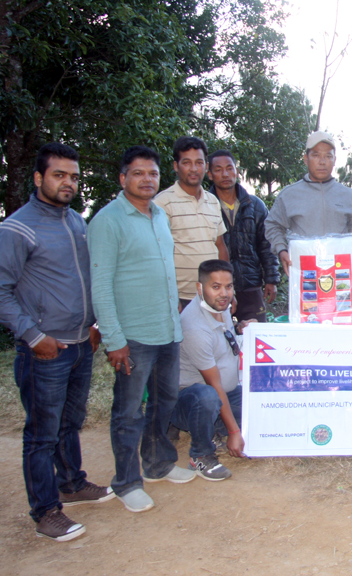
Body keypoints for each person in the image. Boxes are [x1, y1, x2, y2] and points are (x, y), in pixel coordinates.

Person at [0, 143, 111, 542]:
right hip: (44, 351)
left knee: (70, 423)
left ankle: (71, 483)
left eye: (74, 176)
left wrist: (94, 325)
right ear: (39, 178)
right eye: (59, 175)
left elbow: (87, 279)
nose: (68, 183)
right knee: (41, 433)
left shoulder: (77, 223)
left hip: (80, 345)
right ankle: (45, 511)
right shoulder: (17, 228)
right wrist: (33, 335)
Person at [88, 146, 194, 514]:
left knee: (164, 402)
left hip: (167, 330)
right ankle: (126, 481)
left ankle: (158, 464)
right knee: (129, 411)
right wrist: (114, 340)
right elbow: (100, 285)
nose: (147, 179)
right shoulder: (108, 220)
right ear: (123, 178)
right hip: (132, 337)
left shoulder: (160, 215)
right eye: (138, 173)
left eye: (152, 173)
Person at [171, 260, 253, 480]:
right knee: (207, 398)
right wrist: (234, 432)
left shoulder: (221, 306)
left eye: (228, 286)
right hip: (192, 400)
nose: (224, 293)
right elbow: (214, 386)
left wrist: (243, 329)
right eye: (215, 287)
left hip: (226, 392)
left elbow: (225, 342)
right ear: (200, 289)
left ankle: (216, 428)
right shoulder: (194, 327)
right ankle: (201, 454)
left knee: (260, 414)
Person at [264, 131, 352, 275]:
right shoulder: (289, 195)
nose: (322, 161)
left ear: (334, 159)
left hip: (341, 272)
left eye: (328, 156)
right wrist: (282, 250)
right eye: (316, 155)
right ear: (306, 159)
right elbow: (272, 225)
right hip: (305, 273)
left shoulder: (348, 195)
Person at [153, 136, 229, 311]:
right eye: (187, 163)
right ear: (175, 166)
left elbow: (220, 245)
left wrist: (226, 289)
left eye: (199, 162)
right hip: (180, 299)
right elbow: (156, 256)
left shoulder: (213, 201)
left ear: (206, 166)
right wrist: (169, 296)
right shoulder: (162, 203)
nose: (194, 169)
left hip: (213, 296)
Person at [207, 149, 280, 322]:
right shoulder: (205, 206)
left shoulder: (255, 205)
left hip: (251, 286)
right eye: (218, 169)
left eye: (229, 168)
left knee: (256, 340)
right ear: (209, 174)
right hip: (216, 289)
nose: (225, 174)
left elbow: (266, 245)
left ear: (237, 172)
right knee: (221, 341)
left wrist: (271, 279)